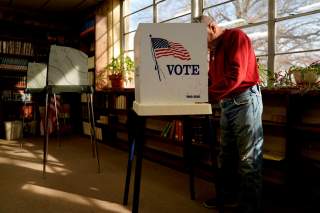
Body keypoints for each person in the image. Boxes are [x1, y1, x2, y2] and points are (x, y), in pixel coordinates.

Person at [194, 15, 264, 213]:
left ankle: (250, 206)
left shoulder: (236, 37)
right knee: (227, 155)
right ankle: (229, 197)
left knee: (248, 158)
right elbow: (212, 79)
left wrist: (206, 96)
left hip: (244, 101)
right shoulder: (214, 50)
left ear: (212, 27)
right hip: (228, 103)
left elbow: (236, 75)